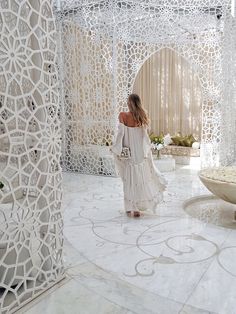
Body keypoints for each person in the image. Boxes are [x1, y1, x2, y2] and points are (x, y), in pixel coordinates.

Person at [111, 93, 167, 217]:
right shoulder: (142, 116)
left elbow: (121, 134)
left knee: (129, 180)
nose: (126, 103)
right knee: (139, 179)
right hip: (140, 153)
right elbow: (145, 137)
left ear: (130, 102)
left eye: (128, 101)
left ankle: (130, 207)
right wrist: (146, 151)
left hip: (129, 152)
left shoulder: (122, 115)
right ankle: (137, 209)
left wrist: (115, 148)